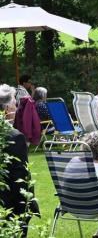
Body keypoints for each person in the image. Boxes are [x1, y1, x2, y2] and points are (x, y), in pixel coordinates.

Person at [0, 84, 39, 237]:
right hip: (9, 208)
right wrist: (27, 207)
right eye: (15, 105)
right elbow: (21, 177)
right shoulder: (14, 137)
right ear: (8, 109)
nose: (16, 109)